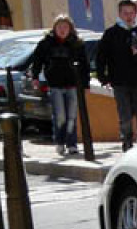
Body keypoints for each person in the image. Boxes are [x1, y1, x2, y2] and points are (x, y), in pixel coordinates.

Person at [96, 0, 137, 151]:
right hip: (119, 81)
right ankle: (127, 140)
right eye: (125, 13)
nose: (129, 16)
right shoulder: (111, 34)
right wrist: (103, 77)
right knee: (124, 114)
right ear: (119, 14)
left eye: (131, 13)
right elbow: (101, 57)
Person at [26, 14, 91, 156]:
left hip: (73, 85)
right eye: (59, 27)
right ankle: (60, 142)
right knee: (60, 116)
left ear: (70, 29)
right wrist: (35, 76)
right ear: (54, 28)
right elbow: (37, 61)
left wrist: (86, 85)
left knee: (72, 116)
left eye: (65, 27)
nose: (62, 30)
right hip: (55, 85)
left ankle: (72, 144)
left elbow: (85, 66)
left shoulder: (77, 44)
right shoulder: (46, 43)